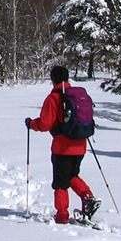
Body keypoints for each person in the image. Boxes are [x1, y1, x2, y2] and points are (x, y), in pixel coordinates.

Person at [26, 66, 100, 224]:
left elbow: (45, 124)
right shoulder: (78, 95)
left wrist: (31, 124)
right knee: (72, 175)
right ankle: (88, 198)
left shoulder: (54, 98)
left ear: (53, 79)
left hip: (62, 147)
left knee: (61, 181)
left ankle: (62, 216)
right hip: (80, 144)